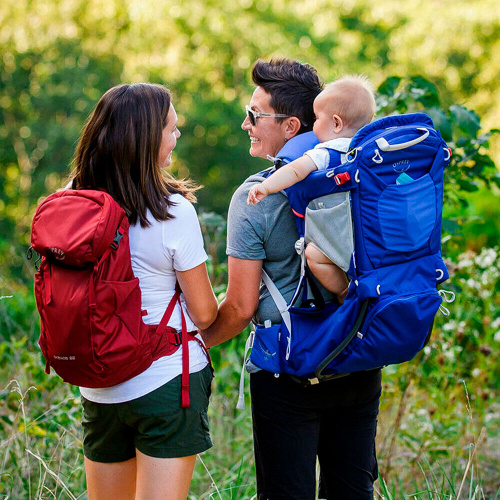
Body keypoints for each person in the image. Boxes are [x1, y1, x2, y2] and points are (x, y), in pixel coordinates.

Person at [202, 59, 382, 499]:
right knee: (352, 491)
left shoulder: (254, 196)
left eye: (254, 114)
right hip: (356, 355)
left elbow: (242, 307)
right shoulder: (363, 176)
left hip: (288, 368)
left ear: (291, 126)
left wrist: (193, 341)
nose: (246, 123)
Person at [71, 83, 218, 500]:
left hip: (98, 385)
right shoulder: (172, 212)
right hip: (164, 381)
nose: (176, 137)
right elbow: (205, 314)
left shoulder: (69, 203)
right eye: (171, 129)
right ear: (147, 140)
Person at [247, 75, 376, 302]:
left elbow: (296, 170)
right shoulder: (373, 150)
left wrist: (266, 187)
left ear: (336, 123)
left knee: (313, 255)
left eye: (316, 119)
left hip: (339, 237)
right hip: (371, 235)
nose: (313, 127)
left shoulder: (328, 150)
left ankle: (345, 293)